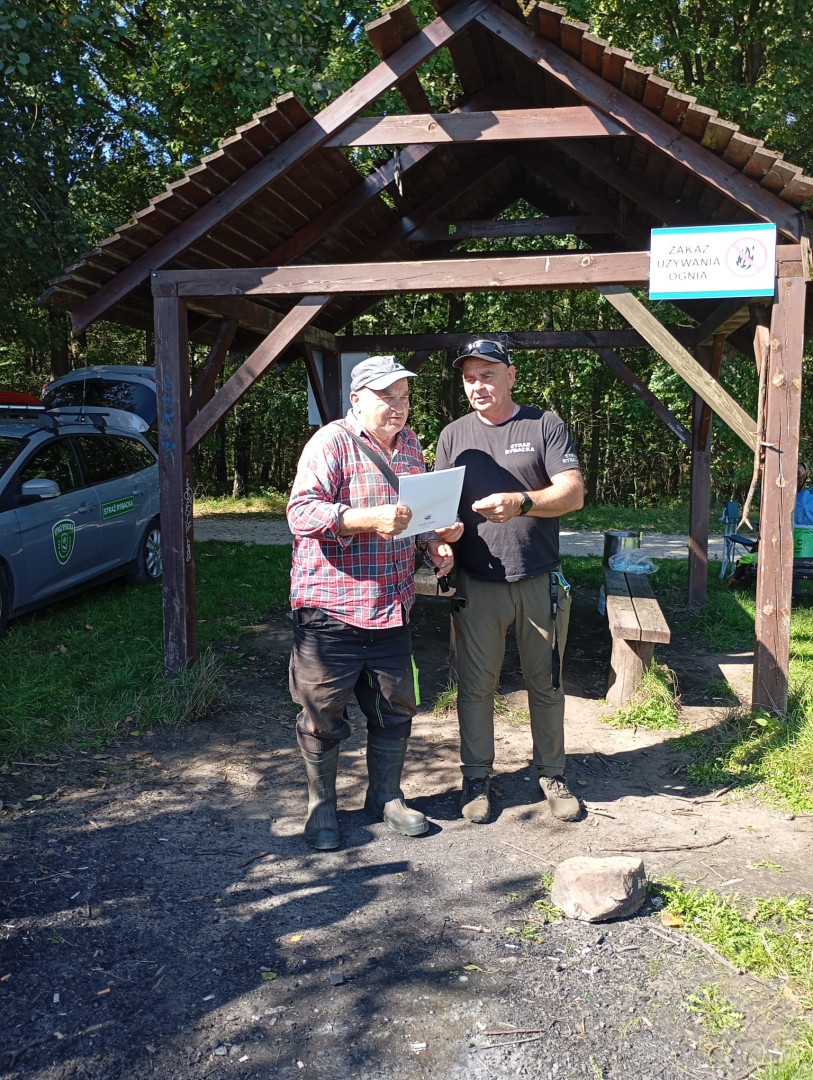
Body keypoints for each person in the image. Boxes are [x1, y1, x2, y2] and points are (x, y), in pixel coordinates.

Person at [287, 356, 459, 850]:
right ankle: (321, 806)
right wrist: (366, 519)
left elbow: (417, 516)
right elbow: (300, 513)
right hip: (331, 608)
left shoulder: (411, 445)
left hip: (391, 605)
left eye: (404, 396)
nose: (398, 406)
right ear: (357, 399)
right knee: (321, 711)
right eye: (387, 397)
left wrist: (434, 543)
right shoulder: (330, 442)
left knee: (395, 707)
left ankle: (386, 796)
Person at [434, 339, 585, 825]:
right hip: (476, 583)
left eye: (488, 374)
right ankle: (476, 777)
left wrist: (522, 503)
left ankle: (552, 774)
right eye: (469, 378)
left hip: (538, 578)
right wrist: (442, 538)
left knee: (547, 683)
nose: (478, 385)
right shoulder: (453, 436)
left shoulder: (544, 424)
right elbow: (439, 509)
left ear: (511, 375)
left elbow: (572, 493)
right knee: (476, 686)